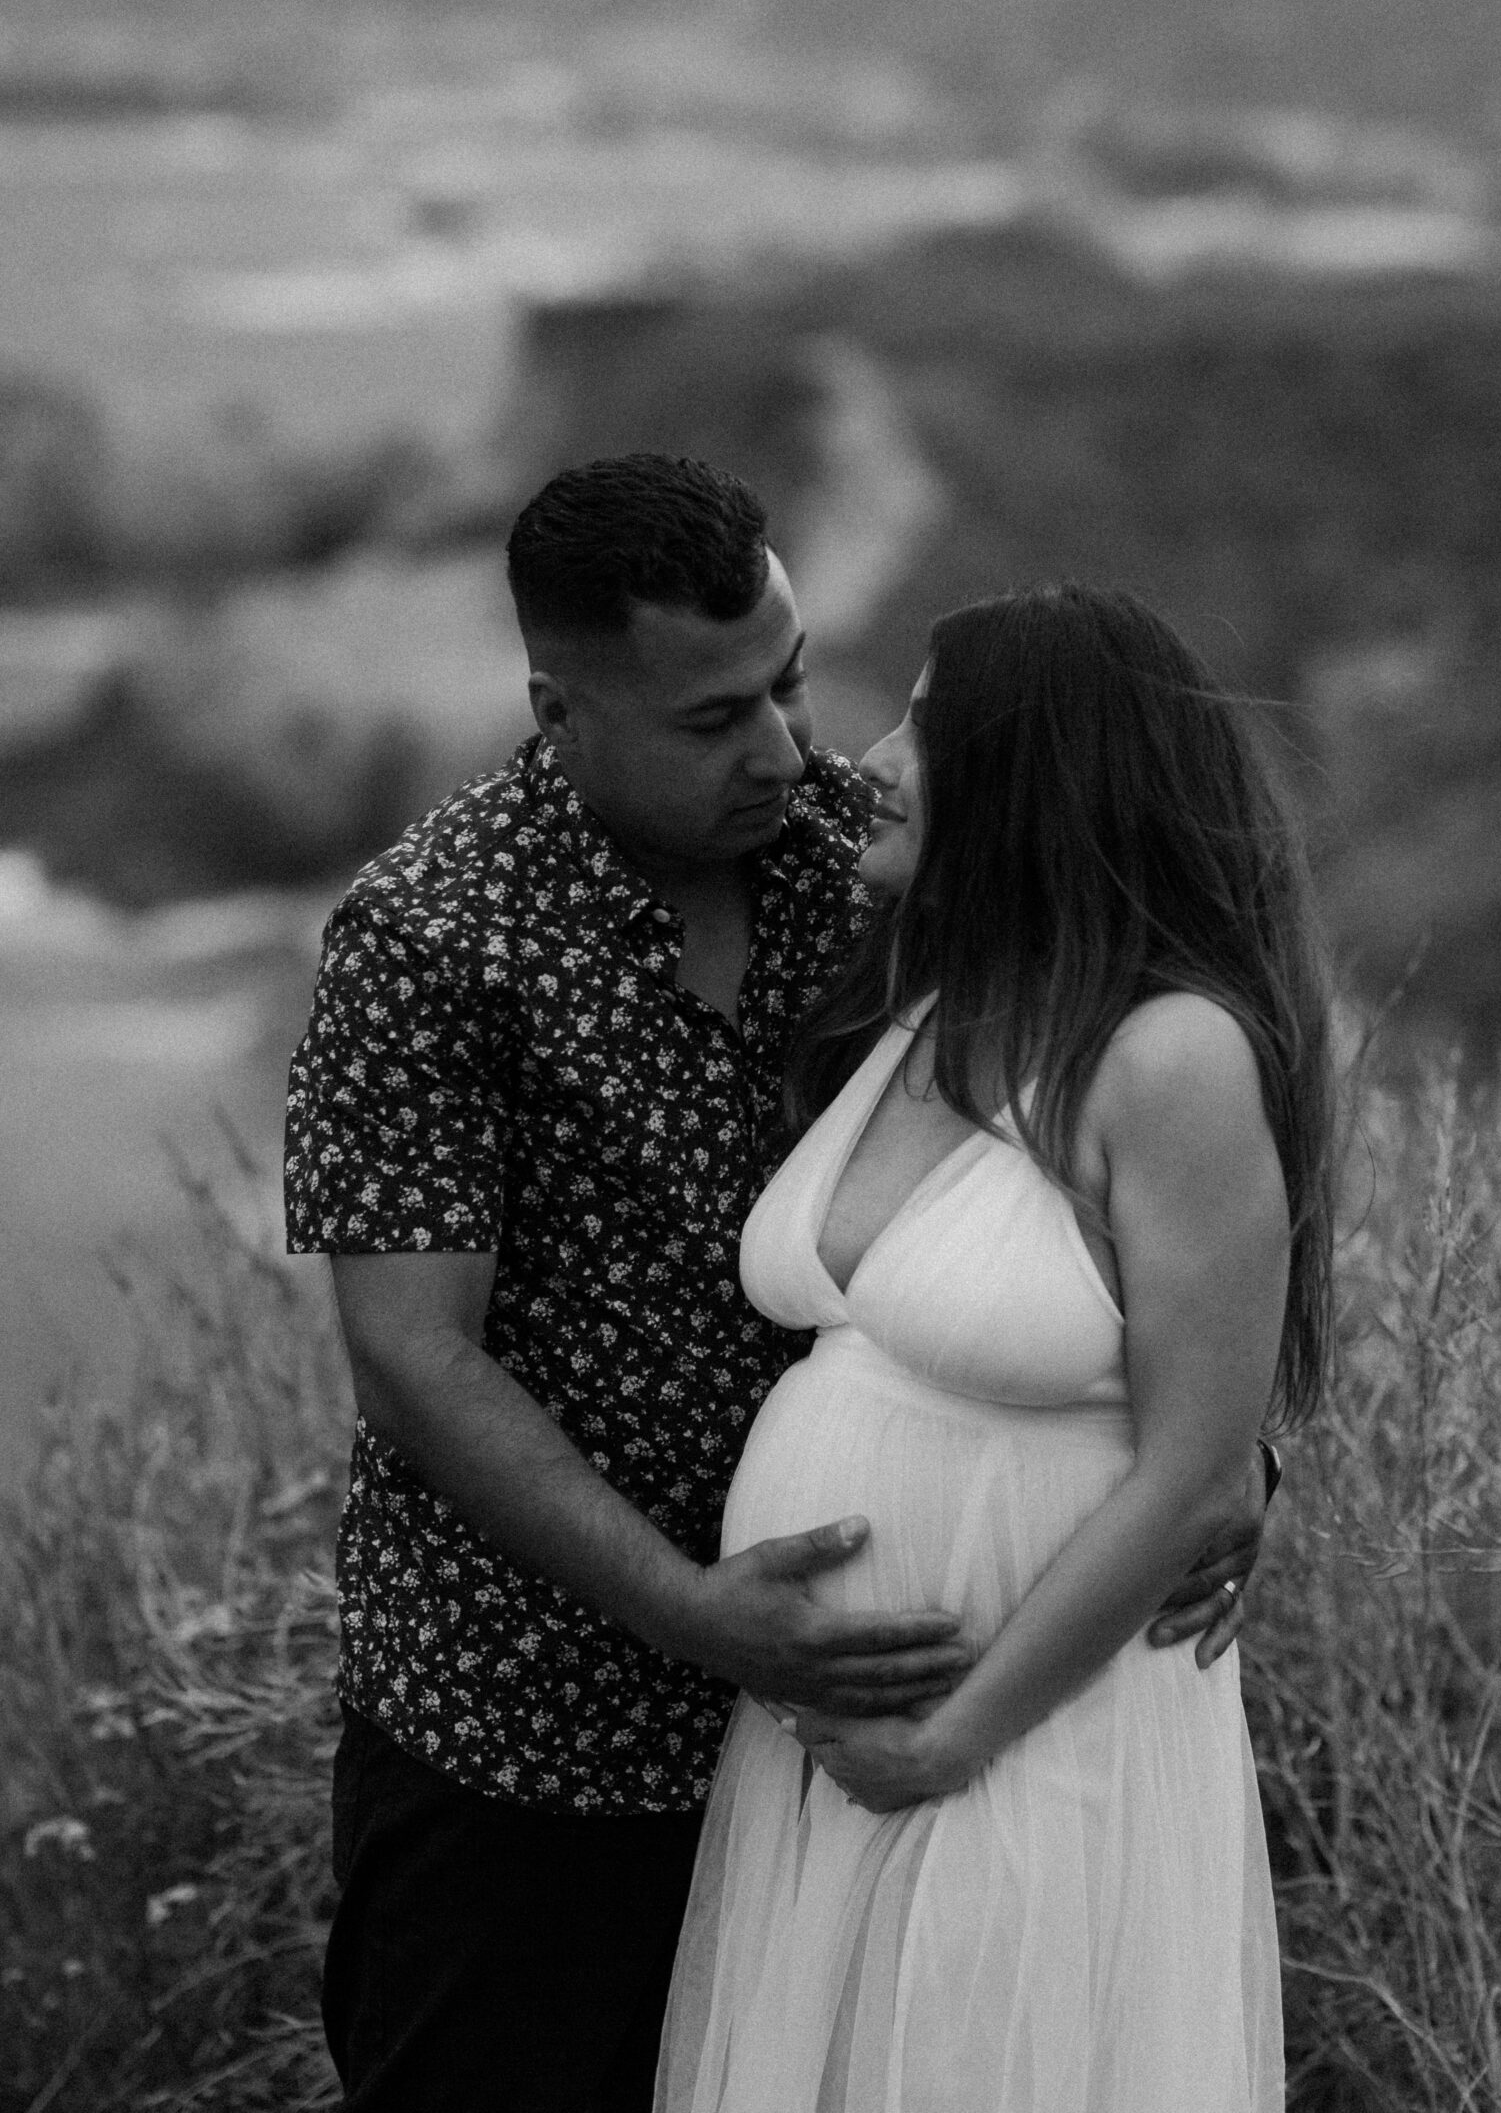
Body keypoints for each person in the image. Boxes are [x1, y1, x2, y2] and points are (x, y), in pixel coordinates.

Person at [284, 457, 1273, 2112]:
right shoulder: (428, 936)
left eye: (793, 682)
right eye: (711, 719)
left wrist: (1222, 1451)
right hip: (539, 1730)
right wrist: (696, 1616)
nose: (787, 750)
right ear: (559, 706)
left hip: (863, 1745)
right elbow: (412, 1360)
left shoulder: (861, 862)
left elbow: (1115, 1180)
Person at [655, 582, 1335, 2113]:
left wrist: (951, 1740)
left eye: (922, 725)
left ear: (1032, 774)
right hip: (835, 1762)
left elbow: (1192, 1463)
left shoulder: (1170, 1056)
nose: (870, 760)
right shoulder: (926, 999)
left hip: (1028, 1741)